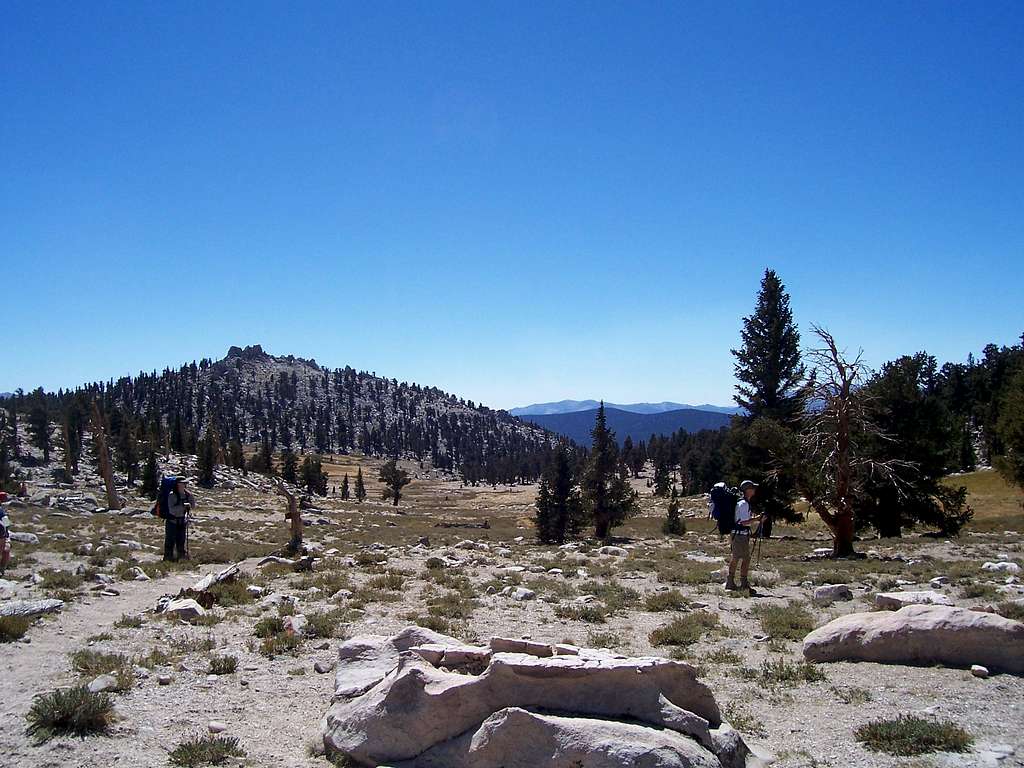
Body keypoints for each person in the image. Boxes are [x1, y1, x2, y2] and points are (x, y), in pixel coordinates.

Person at [726, 480, 760, 593]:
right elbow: (744, 522)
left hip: (738, 534)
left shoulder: (742, 503)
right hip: (740, 535)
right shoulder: (744, 504)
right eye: (752, 488)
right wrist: (757, 519)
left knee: (739, 557)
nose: (754, 490)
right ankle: (741, 583)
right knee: (742, 558)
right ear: (747, 490)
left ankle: (732, 582)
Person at [164, 478, 194, 562]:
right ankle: (168, 559)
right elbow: (172, 510)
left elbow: (193, 505)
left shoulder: (188, 494)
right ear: (178, 484)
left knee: (181, 541)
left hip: (182, 521)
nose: (185, 484)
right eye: (183, 483)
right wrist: (183, 506)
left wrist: (189, 505)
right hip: (172, 521)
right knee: (170, 541)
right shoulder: (172, 495)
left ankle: (181, 558)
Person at [0, 492, 11, 576]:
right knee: (5, 550)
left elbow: (6, 522)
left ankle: (2, 569)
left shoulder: (2, 509)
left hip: (3, 533)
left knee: (6, 550)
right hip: (2, 533)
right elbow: (6, 522)